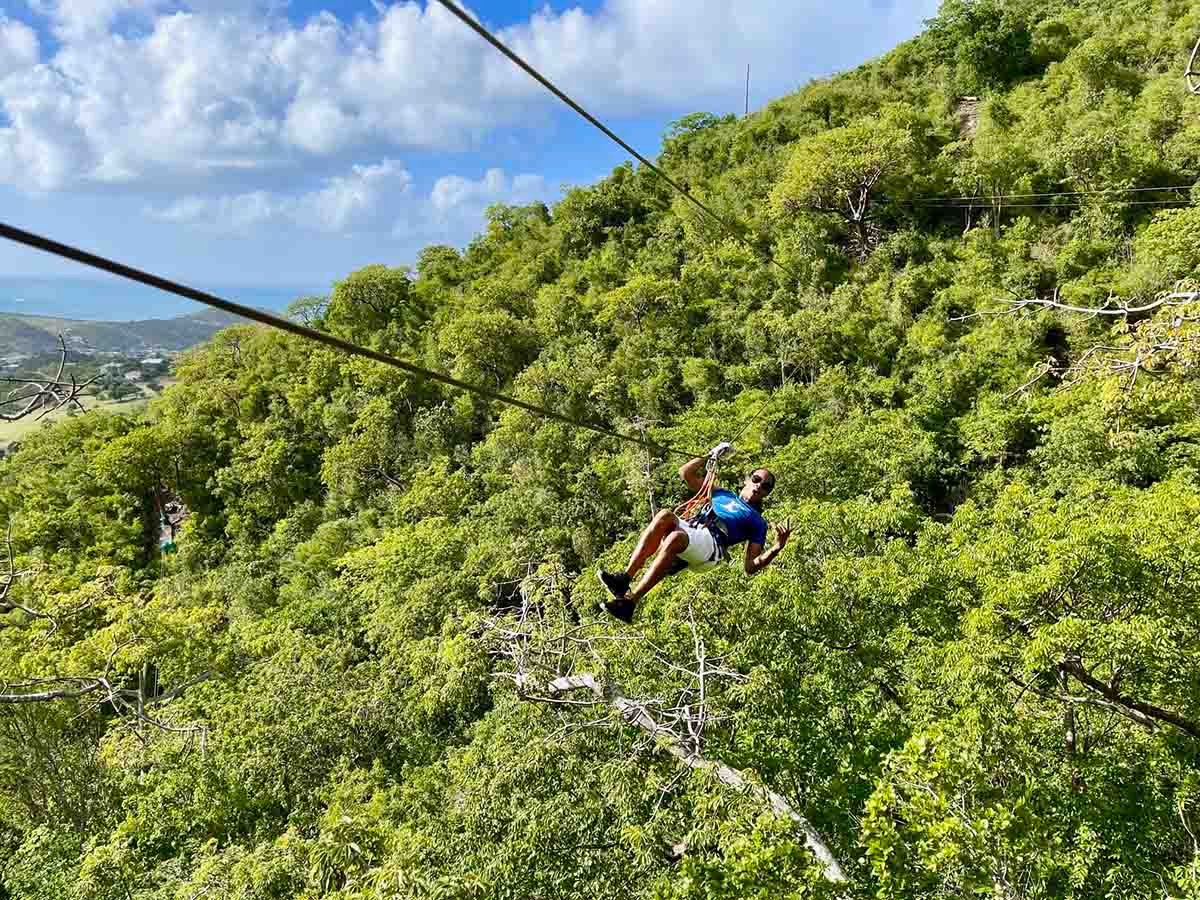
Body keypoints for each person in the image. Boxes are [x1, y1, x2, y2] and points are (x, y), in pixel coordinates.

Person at [596, 447, 792, 623]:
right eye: (757, 480)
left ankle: (631, 602)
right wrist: (711, 454)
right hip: (694, 526)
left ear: (767, 493)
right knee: (664, 515)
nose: (759, 486)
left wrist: (776, 548)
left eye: (765, 486)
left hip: (713, 544)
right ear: (747, 480)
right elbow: (685, 473)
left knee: (675, 538)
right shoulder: (722, 493)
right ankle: (624, 579)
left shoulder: (758, 522)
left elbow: (750, 566)